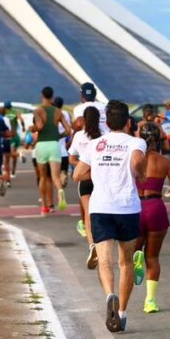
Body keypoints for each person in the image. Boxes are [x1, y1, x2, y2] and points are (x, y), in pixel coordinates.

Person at [74, 100, 147, 334]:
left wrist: (97, 172)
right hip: (127, 208)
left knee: (104, 261)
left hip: (100, 207)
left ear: (108, 122)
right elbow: (136, 160)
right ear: (128, 122)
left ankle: (110, 295)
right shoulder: (136, 141)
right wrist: (140, 173)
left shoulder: (95, 144)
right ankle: (122, 313)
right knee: (126, 261)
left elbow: (77, 174)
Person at [134, 123, 170, 314]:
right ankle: (150, 300)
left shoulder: (133, 160)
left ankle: (135, 256)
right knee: (153, 257)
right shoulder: (165, 162)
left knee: (133, 249)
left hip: (135, 207)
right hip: (156, 208)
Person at [70, 106, 104, 268]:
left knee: (88, 215)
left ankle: (92, 246)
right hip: (101, 178)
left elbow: (71, 158)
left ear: (84, 119)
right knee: (104, 212)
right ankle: (104, 243)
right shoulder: (104, 136)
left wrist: (83, 166)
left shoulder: (78, 136)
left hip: (84, 179)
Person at [31, 86, 73, 213]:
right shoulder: (58, 111)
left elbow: (39, 126)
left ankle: (44, 205)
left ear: (42, 96)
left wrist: (32, 128)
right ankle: (60, 191)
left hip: (42, 145)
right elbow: (68, 130)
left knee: (43, 177)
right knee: (55, 177)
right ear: (52, 96)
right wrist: (58, 136)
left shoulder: (38, 111)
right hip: (55, 145)